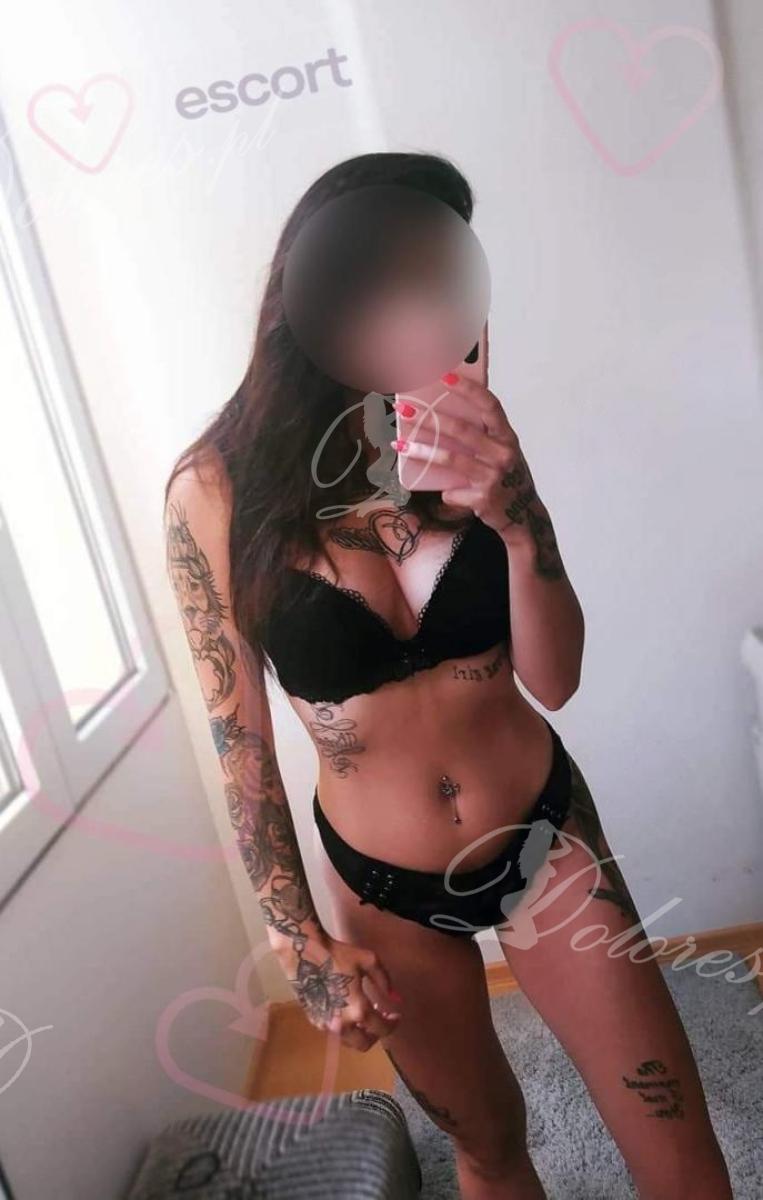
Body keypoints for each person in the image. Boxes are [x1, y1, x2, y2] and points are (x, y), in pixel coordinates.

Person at [163, 152, 732, 1199]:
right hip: (381, 885)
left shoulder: (468, 435)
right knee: (489, 1145)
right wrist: (298, 942)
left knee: (678, 1149)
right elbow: (240, 744)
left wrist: (516, 516)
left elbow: (555, 679)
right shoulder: (215, 491)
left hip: (543, 840)